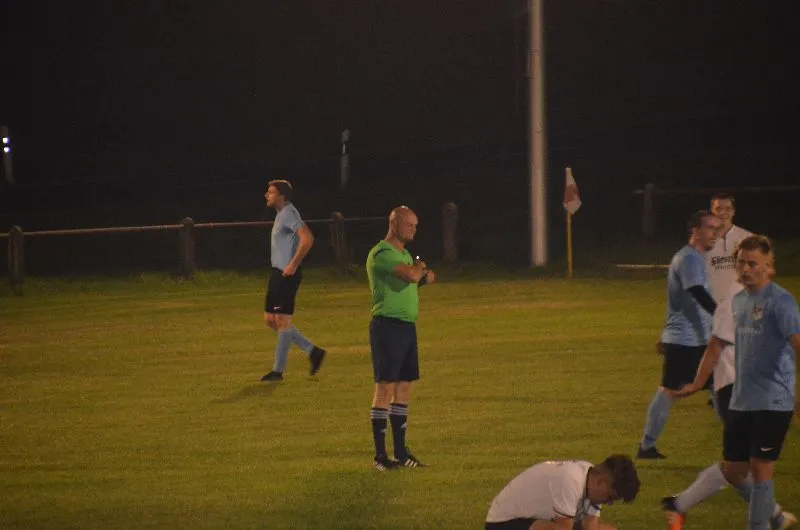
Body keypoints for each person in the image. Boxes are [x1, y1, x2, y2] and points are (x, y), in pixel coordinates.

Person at [662, 275, 796, 529]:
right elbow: (715, 346)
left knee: (741, 468)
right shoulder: (734, 300)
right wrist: (697, 384)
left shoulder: (773, 299)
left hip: (760, 390)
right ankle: (770, 517)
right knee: (752, 465)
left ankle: (680, 504)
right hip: (735, 390)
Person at [721, 235, 799, 529]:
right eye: (741, 262)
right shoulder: (739, 300)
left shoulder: (781, 301)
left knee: (761, 468)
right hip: (742, 399)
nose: (745, 269)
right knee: (733, 471)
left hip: (773, 399)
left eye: (753, 264)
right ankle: (773, 516)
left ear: (768, 266)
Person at [636, 210, 721, 459]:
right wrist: (722, 315)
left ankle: (739, 443)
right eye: (710, 228)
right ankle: (646, 445)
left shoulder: (695, 258)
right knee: (670, 391)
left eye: (717, 229)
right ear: (695, 231)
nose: (715, 234)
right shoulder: (689, 259)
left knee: (719, 385)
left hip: (693, 339)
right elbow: (696, 292)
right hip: (687, 341)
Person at [366, 206, 435, 471]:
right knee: (384, 388)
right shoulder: (382, 253)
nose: (413, 230)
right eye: (409, 225)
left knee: (404, 387)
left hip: (406, 327)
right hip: (387, 327)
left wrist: (423, 278)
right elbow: (410, 275)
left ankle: (401, 452)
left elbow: (409, 282)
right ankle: (380, 457)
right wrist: (420, 269)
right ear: (394, 224)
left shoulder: (404, 254)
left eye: (416, 226)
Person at [260, 179, 326, 382]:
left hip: (287, 274)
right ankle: (313, 351)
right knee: (270, 319)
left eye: (271, 192)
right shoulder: (281, 214)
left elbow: (308, 238)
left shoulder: (289, 213)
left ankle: (277, 371)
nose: (267, 195)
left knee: (282, 320)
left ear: (282, 196)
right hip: (277, 272)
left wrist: (293, 264)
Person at [484, 455, 640, 530]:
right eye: (610, 497)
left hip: (535, 522)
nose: (609, 503)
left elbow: (591, 527)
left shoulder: (590, 475)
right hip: (503, 524)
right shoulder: (570, 479)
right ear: (601, 482)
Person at [706, 193, 753, 304]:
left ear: (733, 211)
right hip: (711, 305)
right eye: (718, 209)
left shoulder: (747, 238)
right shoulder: (702, 241)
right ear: (711, 211)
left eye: (727, 209)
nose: (722, 213)